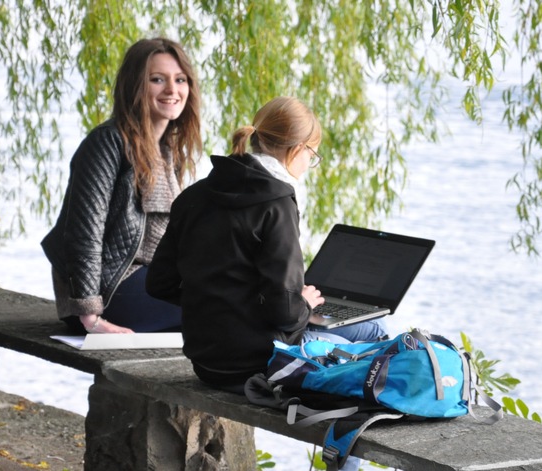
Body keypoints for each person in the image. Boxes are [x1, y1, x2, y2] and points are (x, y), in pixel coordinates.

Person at [146, 96, 387, 391]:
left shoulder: (193, 195)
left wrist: (217, 300)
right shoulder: (278, 204)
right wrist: (304, 304)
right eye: (312, 155)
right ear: (298, 149)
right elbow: (285, 313)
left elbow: (159, 283)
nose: (309, 163)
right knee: (374, 334)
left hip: (207, 362)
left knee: (368, 327)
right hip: (257, 364)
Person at [41, 37, 201, 335]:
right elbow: (85, 232)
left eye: (180, 80)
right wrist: (90, 316)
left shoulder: (168, 150)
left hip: (151, 278)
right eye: (157, 79)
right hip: (107, 290)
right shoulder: (107, 142)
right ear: (135, 86)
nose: (172, 90)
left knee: (226, 294)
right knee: (220, 309)